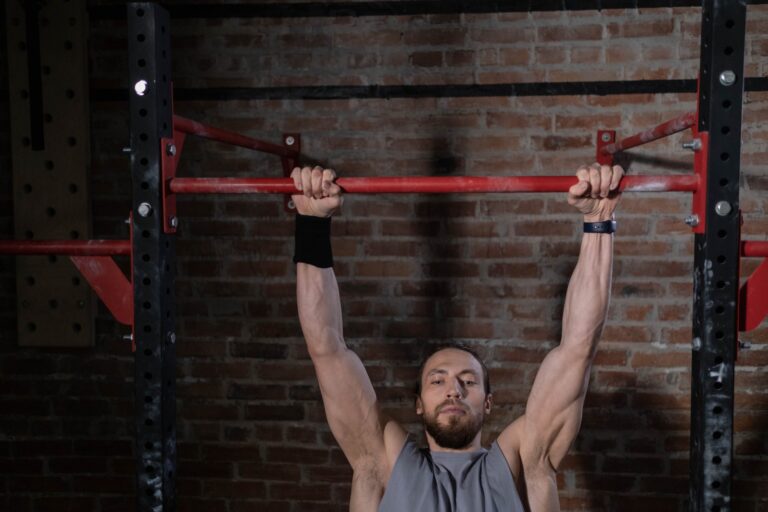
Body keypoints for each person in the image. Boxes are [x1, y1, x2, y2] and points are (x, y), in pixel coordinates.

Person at [291, 163, 624, 512]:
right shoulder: (381, 463)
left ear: (489, 402)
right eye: (438, 380)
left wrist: (598, 222)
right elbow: (326, 349)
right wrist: (311, 222)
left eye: (468, 381)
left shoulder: (523, 465)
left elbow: (578, 349)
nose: (454, 389)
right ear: (418, 402)